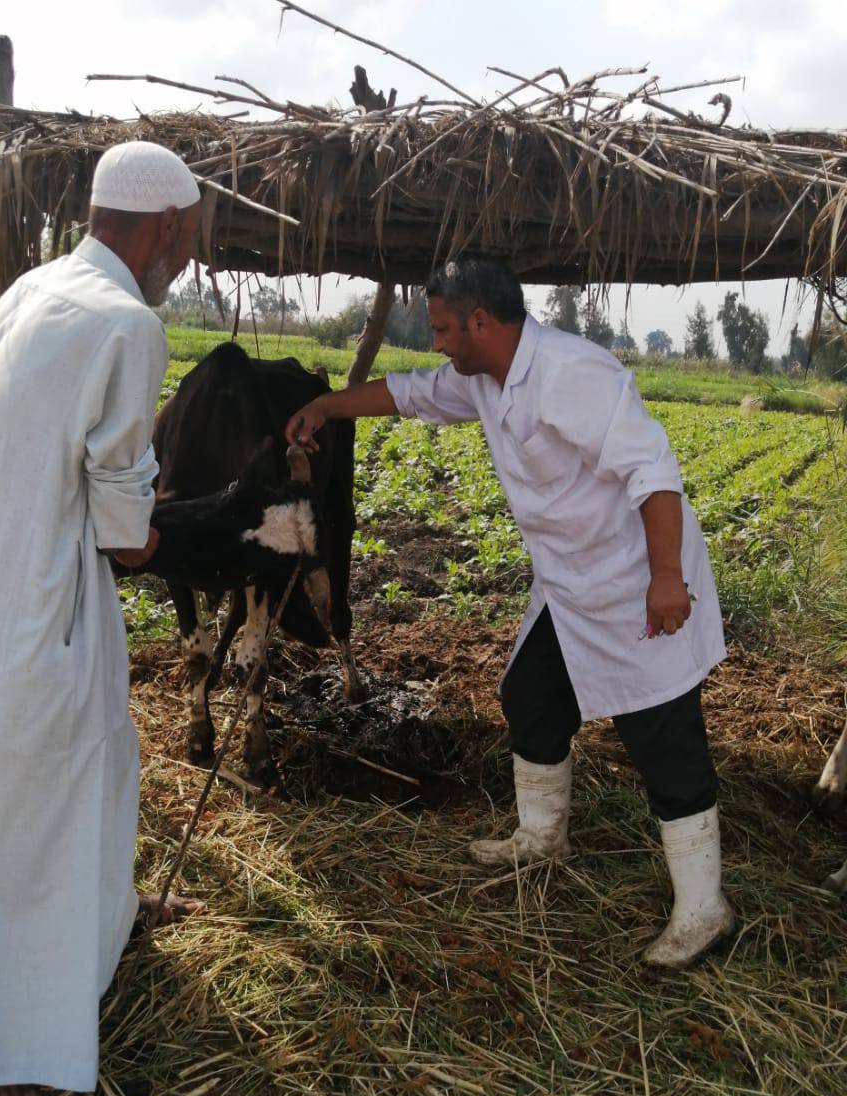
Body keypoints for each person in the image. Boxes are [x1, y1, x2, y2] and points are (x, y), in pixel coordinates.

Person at [285, 257, 736, 969]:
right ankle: (541, 838)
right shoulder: (485, 379)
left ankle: (704, 908)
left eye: (440, 328)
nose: (436, 343)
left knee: (663, 738)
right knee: (528, 694)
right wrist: (327, 406)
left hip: (631, 582)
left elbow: (653, 470)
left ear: (481, 322)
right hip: (569, 589)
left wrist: (667, 577)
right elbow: (411, 394)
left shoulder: (569, 373)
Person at [0, 141, 205, 1096]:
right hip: (47, 598)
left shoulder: (29, 292)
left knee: (80, 768)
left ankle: (104, 919)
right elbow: (122, 531)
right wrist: (179, 530)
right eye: (187, 240)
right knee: (27, 809)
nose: (186, 259)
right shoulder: (126, 322)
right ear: (160, 228)